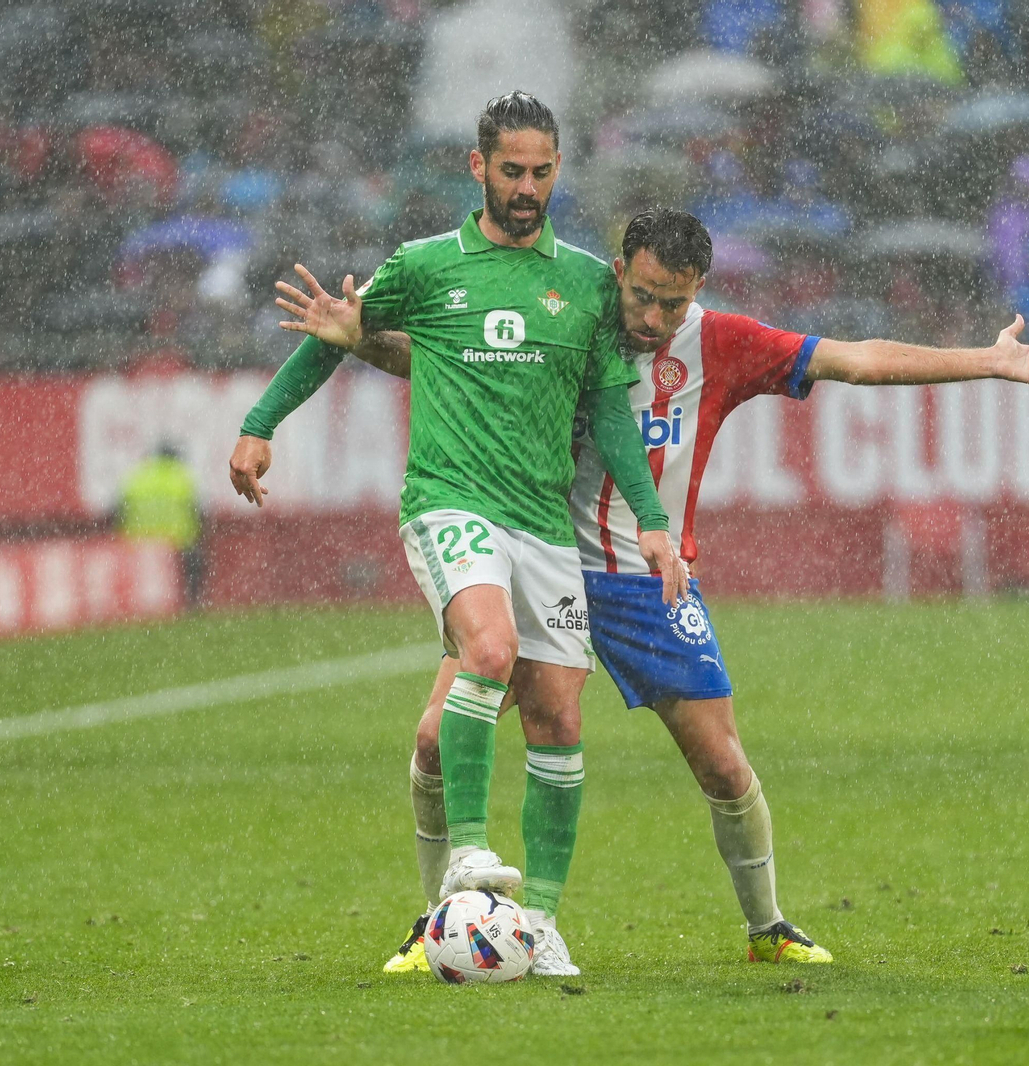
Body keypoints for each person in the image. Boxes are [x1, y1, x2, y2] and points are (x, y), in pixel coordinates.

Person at [293, 208, 1029, 971]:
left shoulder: (723, 344)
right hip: (534, 559)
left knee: (723, 766)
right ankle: (437, 924)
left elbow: (857, 359)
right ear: (620, 270)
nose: (657, 315)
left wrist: (988, 360)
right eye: (644, 294)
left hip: (642, 581)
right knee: (436, 738)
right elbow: (443, 355)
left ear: (699, 288)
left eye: (677, 300)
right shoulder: (564, 304)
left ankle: (766, 926)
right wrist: (357, 338)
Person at [228, 92, 686, 978]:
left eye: (541, 171)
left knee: (556, 713)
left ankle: (541, 922)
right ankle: (468, 862)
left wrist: (655, 525)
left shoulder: (591, 282)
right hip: (450, 501)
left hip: (544, 521)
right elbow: (337, 334)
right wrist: (261, 422)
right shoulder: (428, 266)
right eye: (510, 171)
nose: (526, 187)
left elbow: (609, 412)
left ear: (559, 168)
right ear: (477, 168)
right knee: (487, 648)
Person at [117, 442, 203, 608]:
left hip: (137, 544)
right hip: (176, 544)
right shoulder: (182, 478)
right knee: (194, 567)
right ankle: (190, 605)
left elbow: (118, 512)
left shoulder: (137, 477)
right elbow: (196, 514)